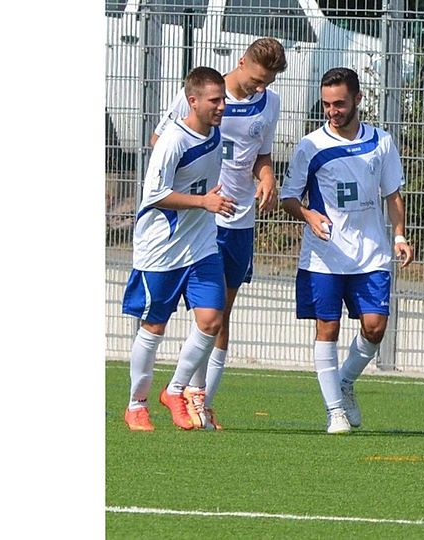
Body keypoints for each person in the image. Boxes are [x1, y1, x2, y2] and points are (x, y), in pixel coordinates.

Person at [149, 38, 287, 430]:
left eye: (269, 81)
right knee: (199, 314)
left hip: (239, 220)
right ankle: (172, 394)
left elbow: (260, 152)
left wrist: (267, 177)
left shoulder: (270, 103)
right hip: (200, 218)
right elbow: (161, 142)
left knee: (221, 315)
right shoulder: (202, 94)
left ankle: (201, 399)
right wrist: (193, 190)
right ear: (241, 62)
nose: (261, 87)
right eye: (257, 78)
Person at [280, 67, 414, 434]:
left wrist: (399, 236)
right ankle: (334, 411)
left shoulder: (381, 142)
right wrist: (308, 215)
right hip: (324, 255)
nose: (332, 111)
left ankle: (344, 381)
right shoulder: (310, 145)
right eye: (326, 104)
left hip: (371, 253)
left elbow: (393, 194)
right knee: (328, 327)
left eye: (339, 103)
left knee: (375, 328)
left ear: (358, 99)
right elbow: (288, 196)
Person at [121, 67, 236, 431]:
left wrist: (210, 199)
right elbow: (154, 195)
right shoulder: (173, 141)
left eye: (223, 99)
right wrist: (203, 202)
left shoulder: (215, 133)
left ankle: (174, 390)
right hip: (162, 248)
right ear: (193, 101)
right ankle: (136, 404)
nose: (221, 106)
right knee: (154, 326)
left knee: (212, 320)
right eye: (214, 100)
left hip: (201, 243)